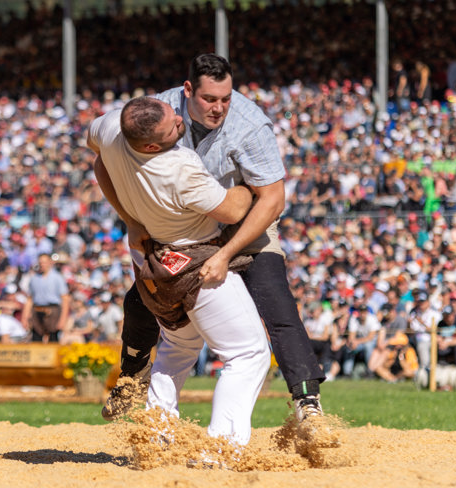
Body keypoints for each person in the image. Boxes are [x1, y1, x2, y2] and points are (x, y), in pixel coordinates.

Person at [105, 53, 325, 422]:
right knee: (142, 299)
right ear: (187, 90)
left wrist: (225, 254)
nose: (219, 108)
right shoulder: (158, 111)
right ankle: (130, 381)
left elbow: (272, 200)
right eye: (209, 99)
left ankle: (308, 403)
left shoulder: (250, 124)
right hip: (188, 227)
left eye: (226, 98)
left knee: (275, 299)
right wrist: (130, 219)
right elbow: (104, 158)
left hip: (245, 220)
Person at [87, 96, 271, 448]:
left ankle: (156, 438)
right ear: (151, 145)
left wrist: (128, 218)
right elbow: (233, 211)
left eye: (172, 112)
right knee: (247, 353)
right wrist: (249, 184)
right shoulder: (177, 166)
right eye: (172, 124)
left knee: (178, 346)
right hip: (191, 262)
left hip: (148, 261)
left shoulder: (111, 126)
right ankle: (222, 449)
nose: (178, 119)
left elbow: (99, 162)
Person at [21, 253, 70, 343]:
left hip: (53, 310)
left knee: (53, 338)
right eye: (41, 262)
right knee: (36, 338)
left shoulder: (57, 278)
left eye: (45, 262)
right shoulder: (34, 278)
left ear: (50, 262)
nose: (42, 264)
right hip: (37, 309)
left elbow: (65, 299)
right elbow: (29, 299)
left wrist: (63, 319)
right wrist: (25, 317)